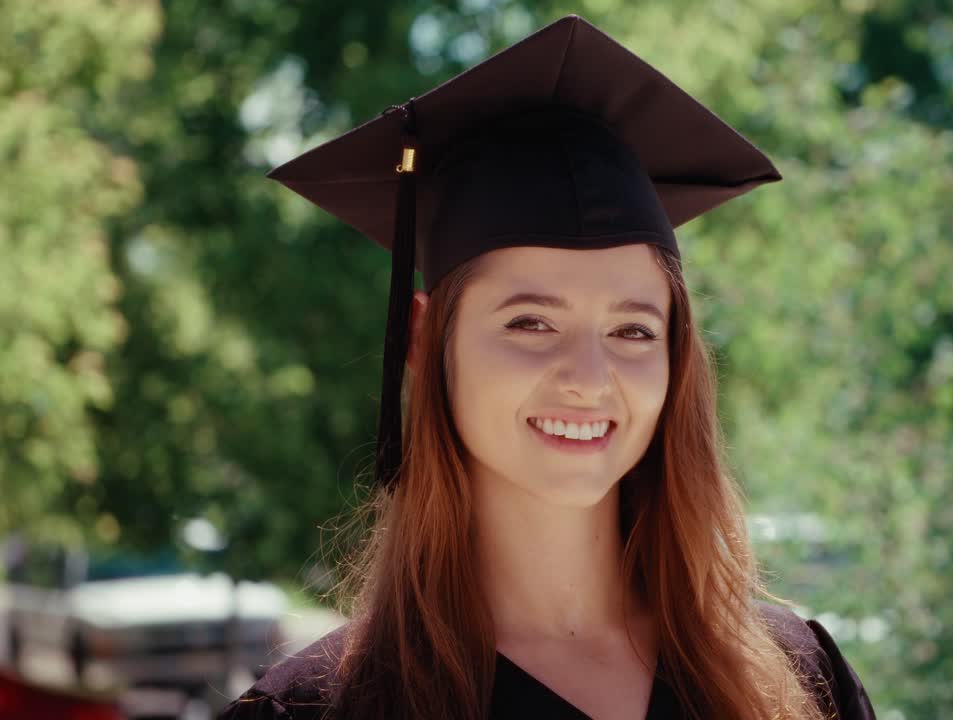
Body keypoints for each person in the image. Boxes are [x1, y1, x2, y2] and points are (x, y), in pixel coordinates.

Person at [217, 14, 876, 720]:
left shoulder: (793, 678)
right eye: (531, 322)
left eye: (632, 329)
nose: (589, 378)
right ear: (423, 337)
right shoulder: (322, 709)